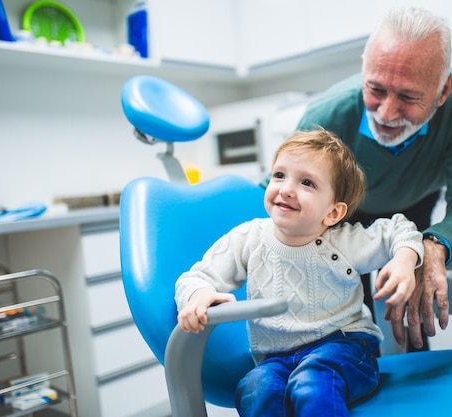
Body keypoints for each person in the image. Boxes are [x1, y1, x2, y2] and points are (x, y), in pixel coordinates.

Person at [175, 130, 423, 417]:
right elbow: (194, 277)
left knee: (312, 380)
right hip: (275, 358)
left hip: (344, 345)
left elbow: (399, 228)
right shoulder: (248, 238)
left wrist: (405, 259)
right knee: (255, 388)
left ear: (332, 213)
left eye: (307, 182)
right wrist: (198, 295)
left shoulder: (344, 242)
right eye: (279, 175)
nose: (286, 189)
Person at [292, 6, 452, 351]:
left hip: (416, 202)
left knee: (413, 300)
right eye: (376, 90)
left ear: (444, 91)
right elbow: (282, 201)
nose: (386, 113)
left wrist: (431, 248)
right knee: (347, 321)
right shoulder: (327, 115)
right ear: (363, 69)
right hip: (340, 212)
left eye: (408, 96)